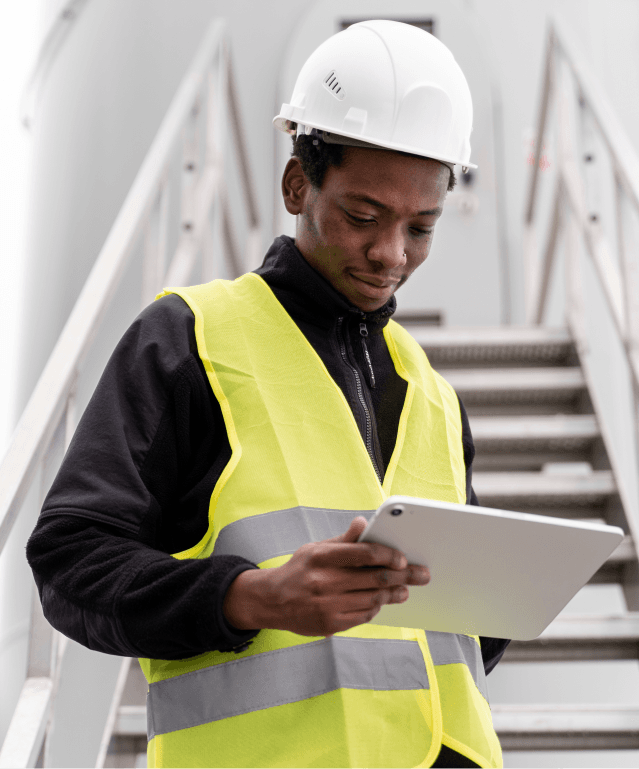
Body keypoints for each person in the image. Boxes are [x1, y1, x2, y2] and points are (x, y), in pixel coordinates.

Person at [26, 19, 509, 769]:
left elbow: (454, 639)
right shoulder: (190, 339)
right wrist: (247, 597)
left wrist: (508, 595)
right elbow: (69, 561)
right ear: (296, 185)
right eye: (362, 217)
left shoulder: (432, 392)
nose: (392, 254)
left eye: (422, 227)